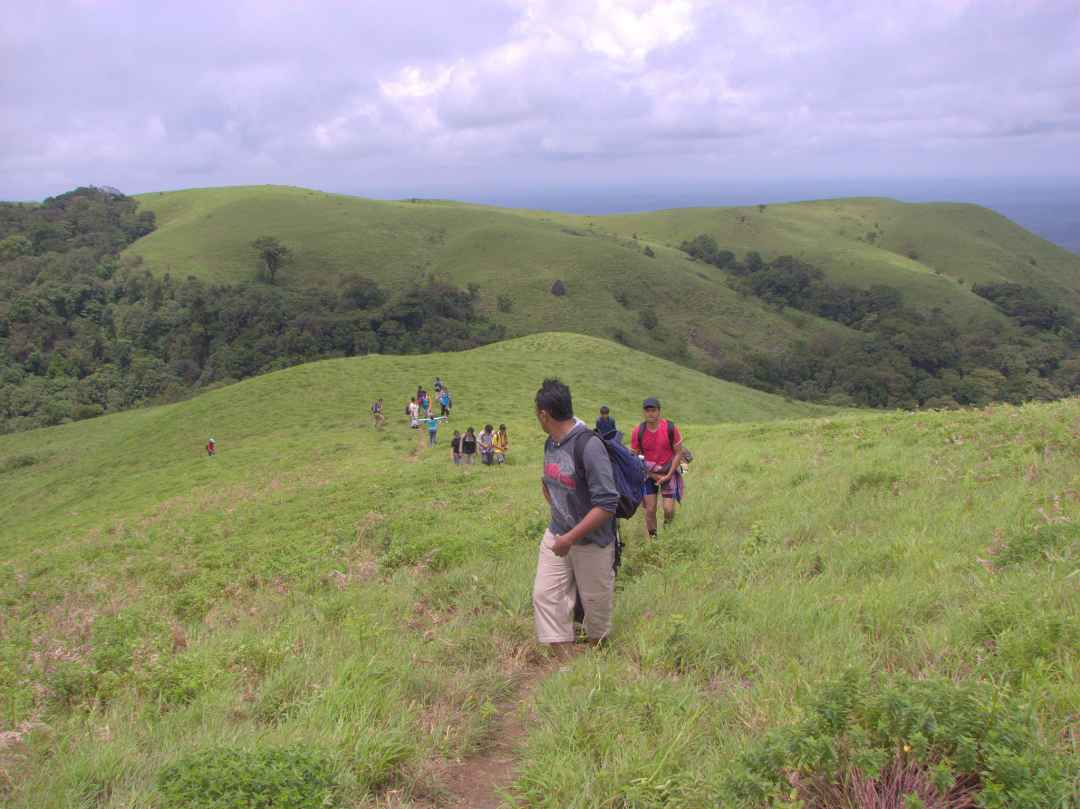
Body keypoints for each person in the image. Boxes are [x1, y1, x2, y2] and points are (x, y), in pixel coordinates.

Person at [532, 378, 619, 649]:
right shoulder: (551, 443)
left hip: (592, 541)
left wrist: (570, 538)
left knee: (596, 609)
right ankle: (564, 665)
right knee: (545, 596)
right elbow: (552, 481)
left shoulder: (589, 447)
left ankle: (597, 658)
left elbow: (607, 504)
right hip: (557, 532)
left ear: (544, 414)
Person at [630, 397, 684, 538]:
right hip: (648, 474)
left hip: (669, 472)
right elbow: (635, 458)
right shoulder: (638, 432)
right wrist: (653, 475)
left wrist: (668, 475)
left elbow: (679, 453)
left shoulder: (670, 428)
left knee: (668, 509)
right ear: (644, 412)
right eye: (647, 410)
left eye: (653, 410)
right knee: (650, 509)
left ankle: (668, 531)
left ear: (659, 411)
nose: (650, 413)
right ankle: (654, 540)